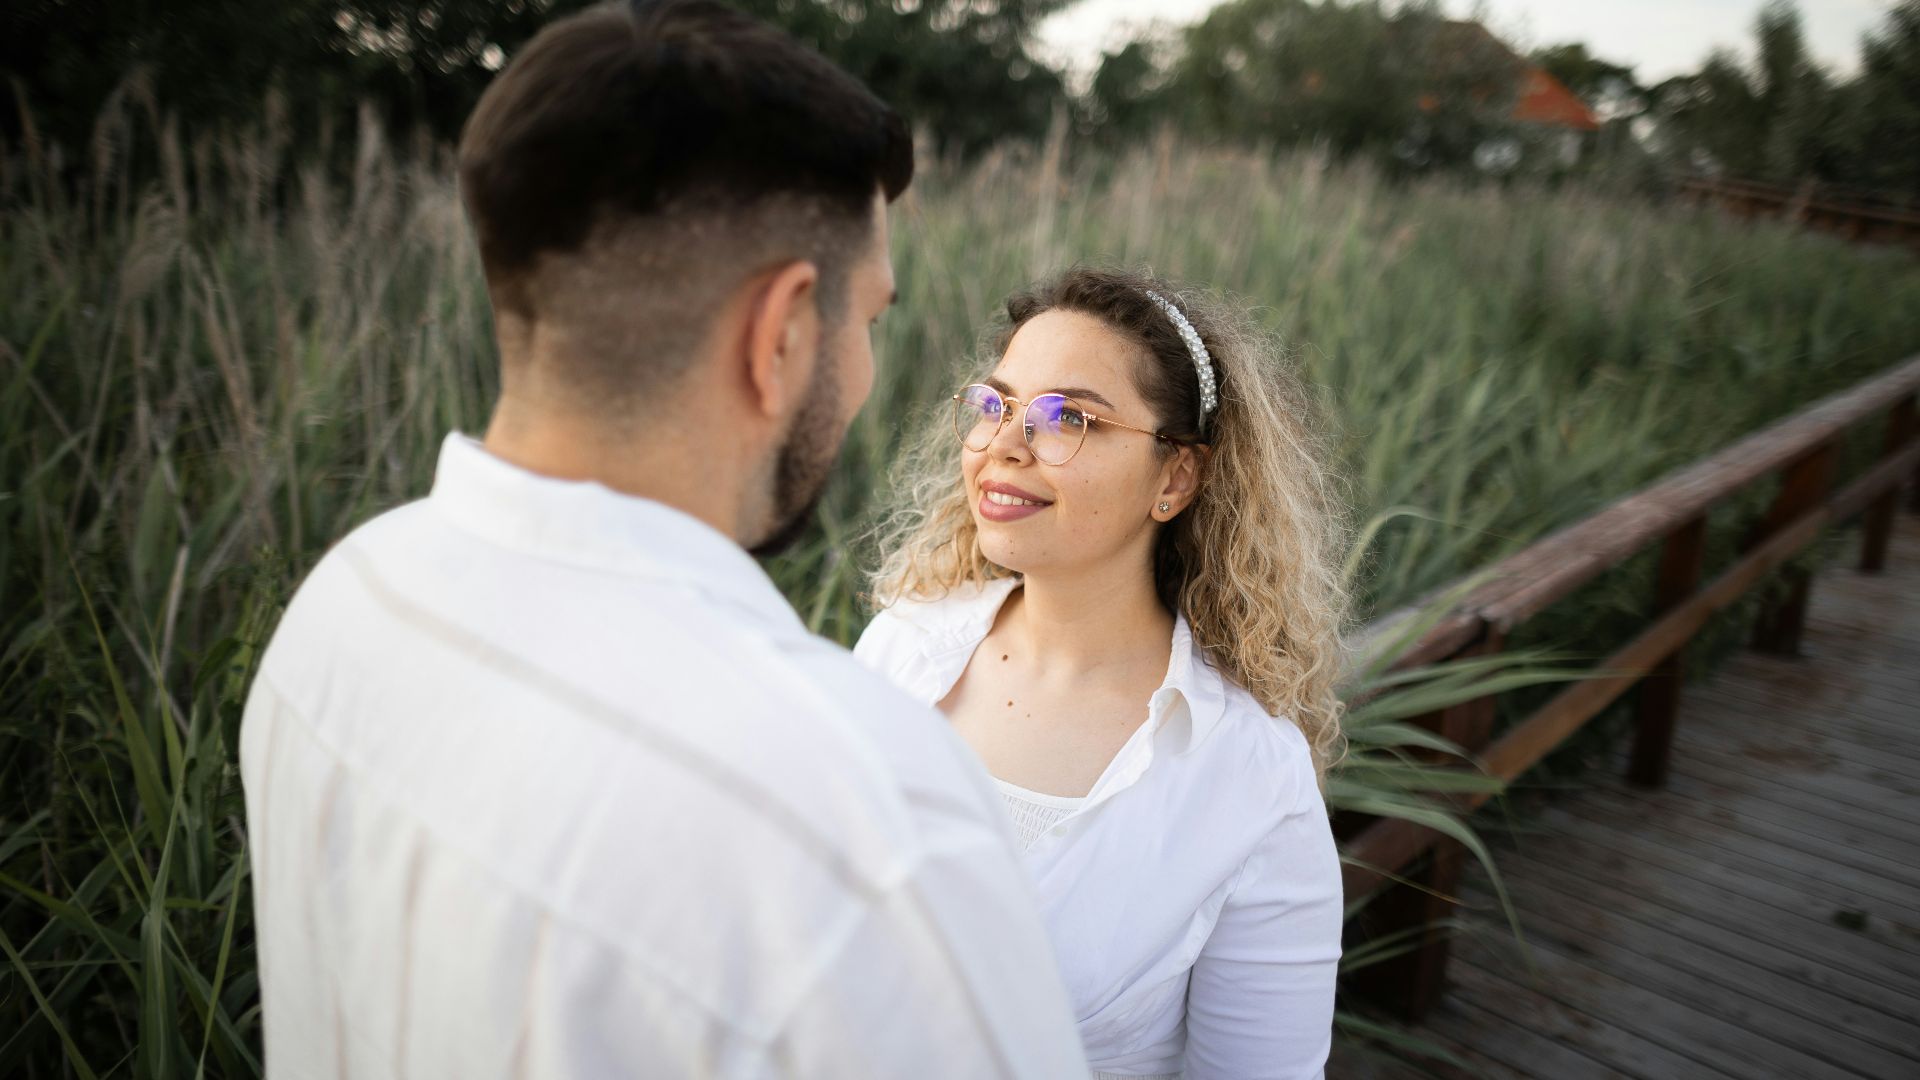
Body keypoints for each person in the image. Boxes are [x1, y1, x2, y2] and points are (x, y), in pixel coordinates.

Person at [238, 2, 1088, 1076]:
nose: (868, 367)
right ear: (778, 334)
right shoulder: (858, 812)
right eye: (867, 317)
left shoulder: (349, 598)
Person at [856, 266, 1348, 1079]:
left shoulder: (1251, 778)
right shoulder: (900, 648)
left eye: (1069, 418)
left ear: (1176, 477)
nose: (1004, 446)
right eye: (997, 405)